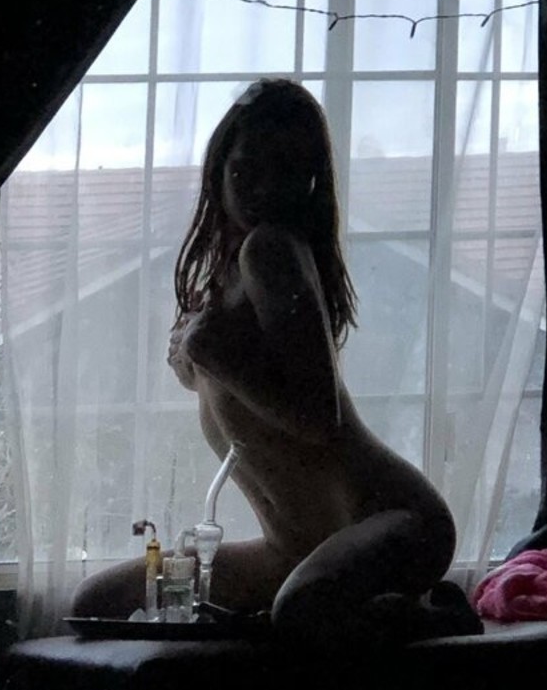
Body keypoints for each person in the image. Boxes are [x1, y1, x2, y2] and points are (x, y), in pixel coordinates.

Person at [70, 79, 481, 647]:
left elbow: (318, 418)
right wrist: (196, 361)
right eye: (246, 170)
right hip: (291, 548)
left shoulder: (271, 251)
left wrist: (213, 355)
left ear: (310, 181)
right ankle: (381, 606)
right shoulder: (227, 274)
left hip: (392, 519)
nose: (263, 189)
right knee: (95, 604)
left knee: (300, 610)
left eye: (285, 171)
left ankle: (435, 615)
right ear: (218, 170)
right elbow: (244, 387)